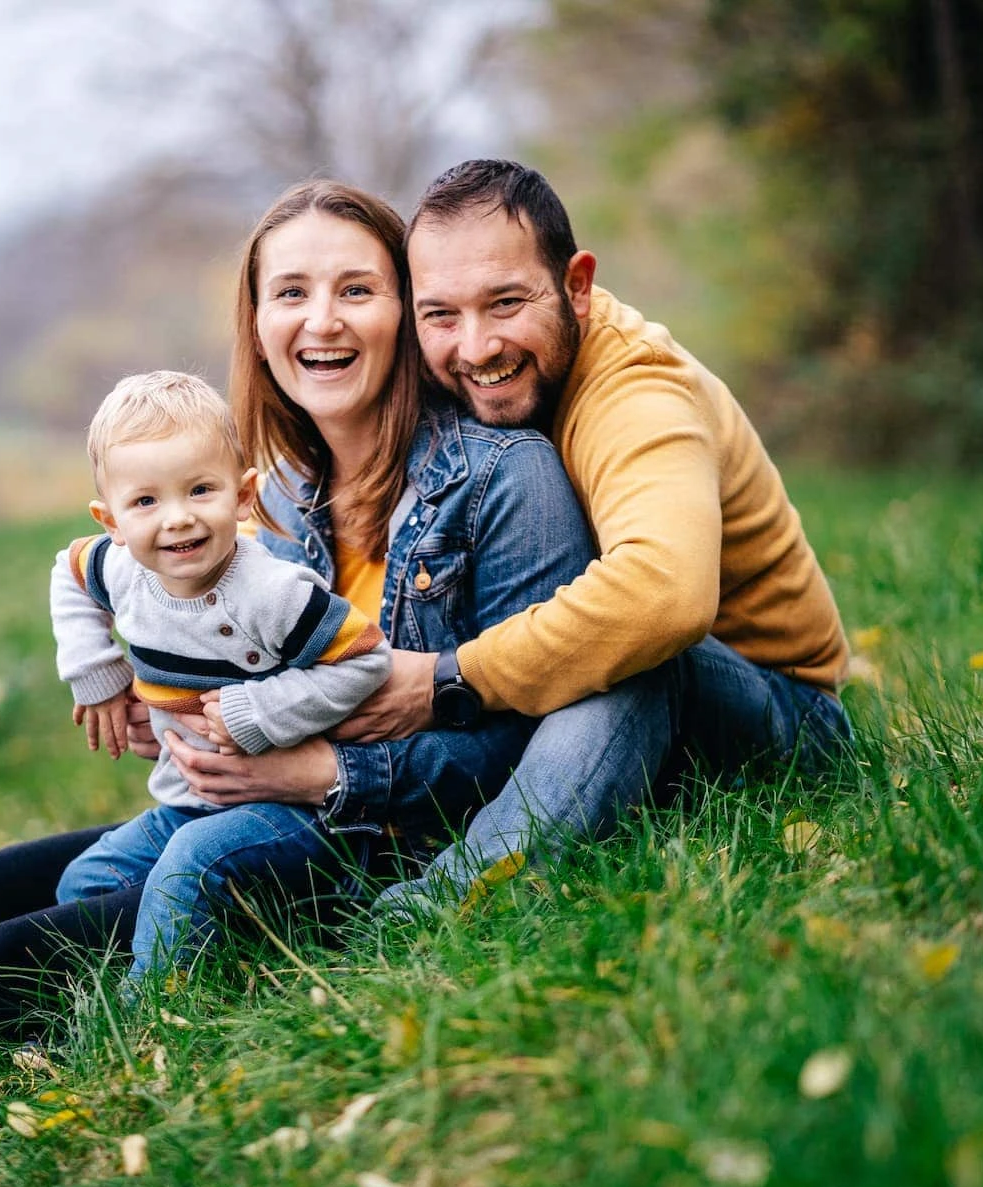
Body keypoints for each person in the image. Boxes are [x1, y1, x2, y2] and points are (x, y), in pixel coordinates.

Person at [0, 179, 594, 1158]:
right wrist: (144, 691)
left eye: (357, 289)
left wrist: (322, 773)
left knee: (26, 945)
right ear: (256, 324)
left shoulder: (506, 479)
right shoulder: (274, 492)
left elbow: (538, 749)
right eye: (290, 292)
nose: (322, 321)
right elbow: (154, 602)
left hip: (387, 845)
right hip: (238, 811)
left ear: (406, 310)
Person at [329, 159, 853, 910]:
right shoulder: (454, 372)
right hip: (588, 722)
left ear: (576, 285)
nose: (475, 347)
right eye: (441, 315)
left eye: (506, 303)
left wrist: (448, 680)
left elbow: (665, 597)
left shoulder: (637, 387)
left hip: (774, 714)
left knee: (640, 647)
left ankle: (448, 903)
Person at [48, 369, 391, 978]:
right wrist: (98, 674)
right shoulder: (122, 569)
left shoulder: (271, 593)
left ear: (243, 494)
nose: (177, 518)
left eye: (201, 490)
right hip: (186, 803)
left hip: (293, 809)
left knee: (190, 862)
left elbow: (367, 658)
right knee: (87, 880)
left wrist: (257, 712)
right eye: (146, 502)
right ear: (111, 522)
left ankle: (157, 1009)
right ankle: (202, 956)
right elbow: (68, 572)